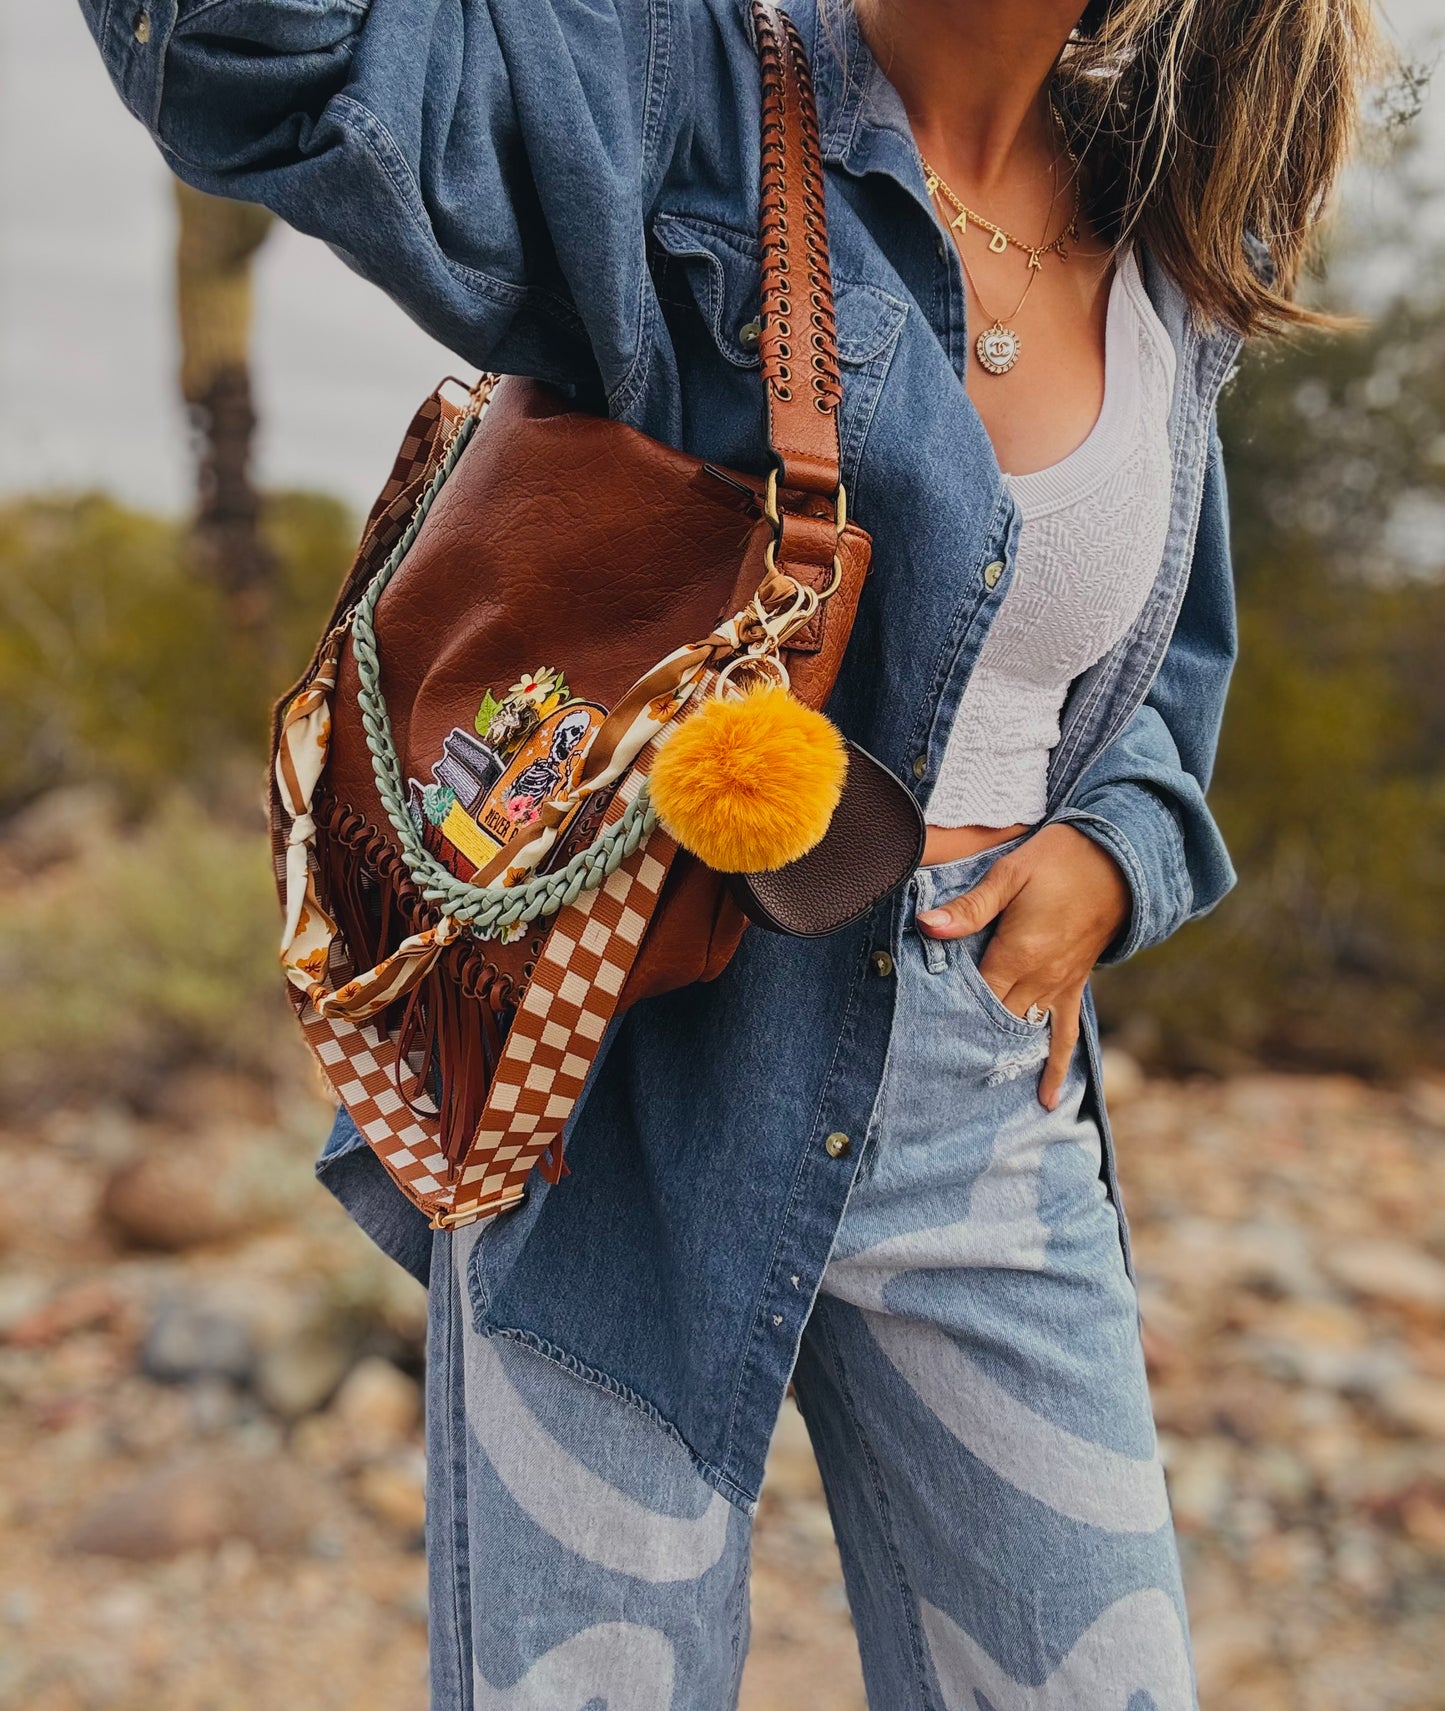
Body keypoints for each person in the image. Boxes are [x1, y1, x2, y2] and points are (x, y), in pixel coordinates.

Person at [78, 0, 1377, 1703]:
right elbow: (272, 67)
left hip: (991, 1085)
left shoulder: (1179, 221)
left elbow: (1138, 653)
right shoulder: (667, 87)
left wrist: (1122, 852)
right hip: (636, 1081)